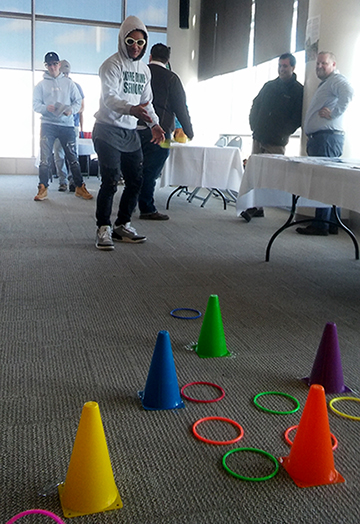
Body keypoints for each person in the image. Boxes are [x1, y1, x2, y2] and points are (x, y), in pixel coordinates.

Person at [93, 16, 164, 250]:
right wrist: (131, 109)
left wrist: (154, 123)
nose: (135, 46)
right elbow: (109, 98)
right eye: (131, 41)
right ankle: (103, 227)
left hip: (130, 131)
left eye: (140, 43)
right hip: (107, 129)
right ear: (122, 40)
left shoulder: (144, 70)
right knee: (111, 180)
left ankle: (122, 224)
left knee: (136, 180)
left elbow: (147, 101)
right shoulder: (110, 65)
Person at [296, 51, 354, 236]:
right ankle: (330, 223)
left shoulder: (336, 80)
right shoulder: (327, 83)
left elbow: (349, 92)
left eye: (324, 63)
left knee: (322, 182)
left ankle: (321, 225)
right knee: (328, 182)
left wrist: (334, 113)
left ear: (333, 65)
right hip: (323, 139)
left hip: (326, 139)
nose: (319, 66)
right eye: (317, 64)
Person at [241, 53, 303, 222]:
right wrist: (254, 125)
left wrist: (283, 132)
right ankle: (256, 207)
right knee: (254, 172)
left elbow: (297, 118)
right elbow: (256, 104)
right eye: (280, 66)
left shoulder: (298, 90)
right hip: (259, 135)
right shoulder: (269, 86)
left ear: (293, 68)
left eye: (285, 66)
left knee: (268, 175)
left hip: (276, 141)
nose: (282, 69)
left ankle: (256, 206)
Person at [137, 43, 194, 220]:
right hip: (162, 132)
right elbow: (180, 107)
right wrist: (189, 131)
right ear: (168, 60)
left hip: (134, 128)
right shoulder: (172, 79)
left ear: (150, 56)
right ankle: (146, 207)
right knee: (152, 170)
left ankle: (131, 203)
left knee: (135, 169)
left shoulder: (139, 73)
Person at [33, 51, 93, 201]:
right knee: (45, 158)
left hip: (67, 125)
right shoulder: (40, 85)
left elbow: (78, 102)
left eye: (55, 64)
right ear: (46, 66)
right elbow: (35, 105)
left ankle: (79, 186)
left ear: (59, 65)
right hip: (48, 124)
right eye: (49, 65)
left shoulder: (69, 84)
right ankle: (43, 187)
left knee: (73, 157)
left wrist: (70, 110)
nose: (52, 67)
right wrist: (46, 108)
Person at [53, 60, 85, 192]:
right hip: (56, 124)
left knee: (72, 155)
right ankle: (62, 181)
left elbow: (82, 107)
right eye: (63, 72)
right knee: (59, 154)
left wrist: (69, 110)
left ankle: (73, 180)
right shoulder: (53, 86)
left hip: (72, 125)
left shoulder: (75, 86)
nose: (65, 75)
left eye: (66, 72)